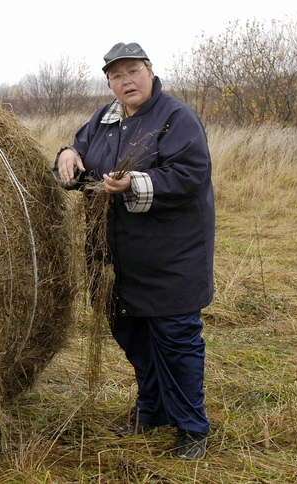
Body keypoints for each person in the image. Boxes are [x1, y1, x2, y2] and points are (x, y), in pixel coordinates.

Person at [52, 42, 215, 460]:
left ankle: (192, 426)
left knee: (175, 340)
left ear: (150, 72)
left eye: (133, 72)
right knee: (133, 336)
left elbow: (191, 174)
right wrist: (68, 155)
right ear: (109, 82)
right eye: (117, 76)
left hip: (169, 259)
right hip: (115, 261)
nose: (126, 82)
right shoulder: (103, 119)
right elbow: (82, 156)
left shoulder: (175, 117)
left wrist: (136, 183)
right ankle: (153, 409)